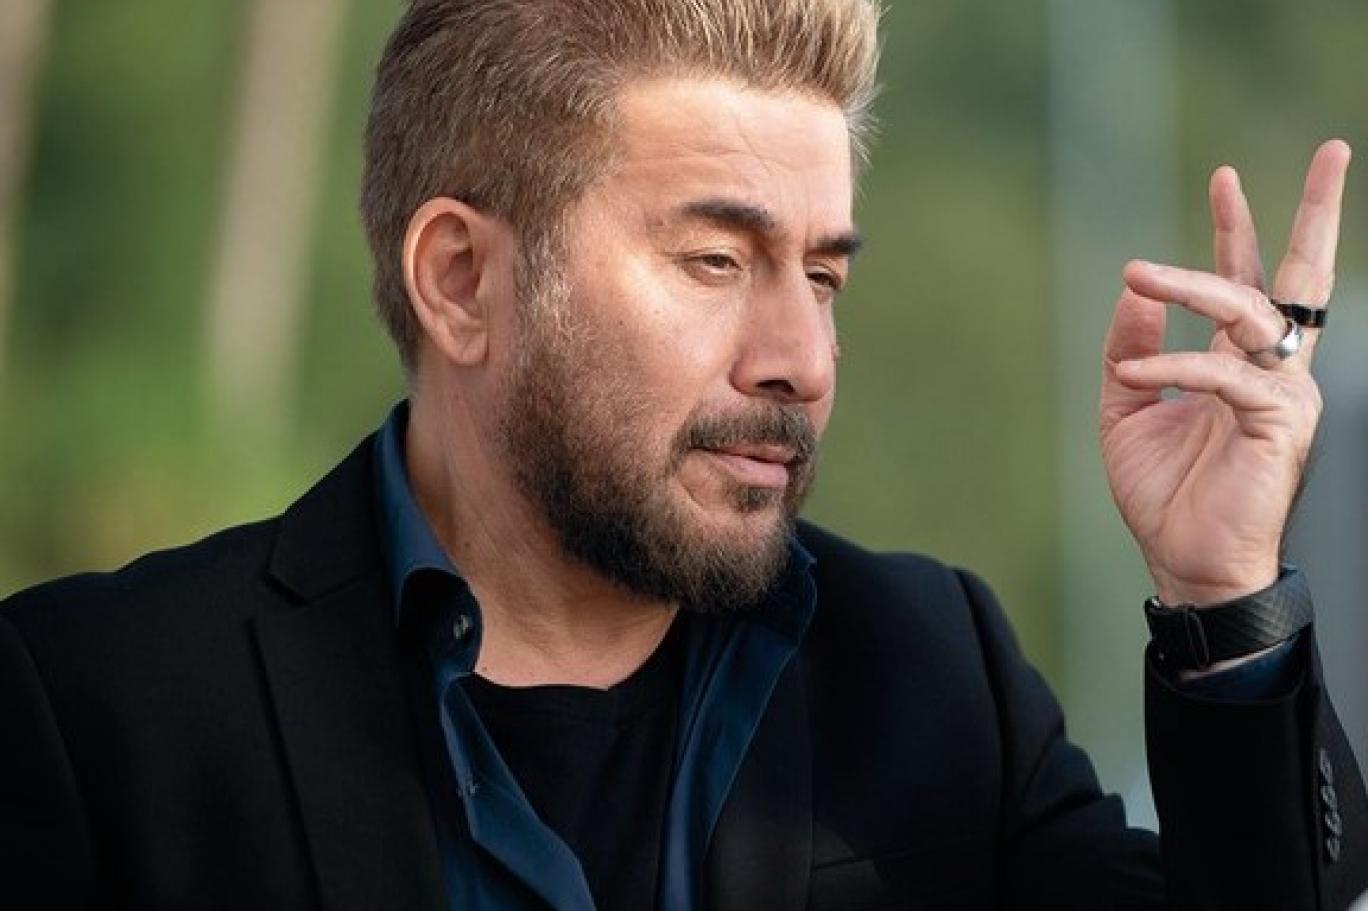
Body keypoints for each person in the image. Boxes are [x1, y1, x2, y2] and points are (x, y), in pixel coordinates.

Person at [2, 0, 1364, 907]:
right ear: (461, 281)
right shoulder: (94, 712)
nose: (804, 357)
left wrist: (1222, 599)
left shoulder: (932, 673)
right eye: (716, 260)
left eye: (822, 275)